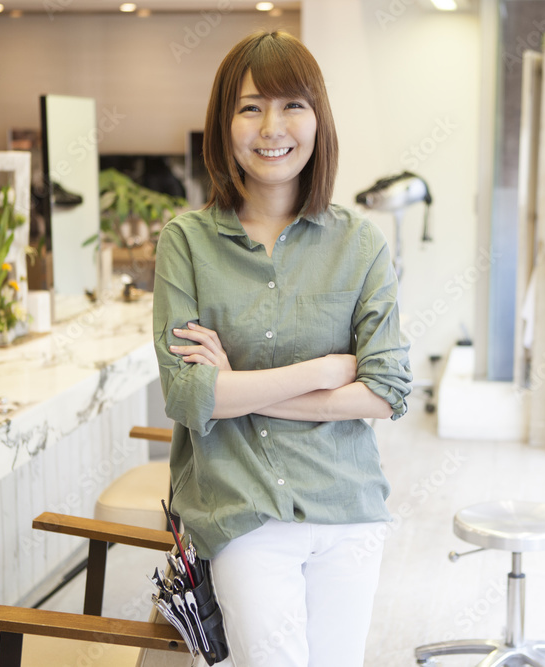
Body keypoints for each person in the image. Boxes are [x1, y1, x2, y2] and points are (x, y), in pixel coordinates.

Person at [153, 29, 412, 667]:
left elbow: (386, 392)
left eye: (292, 104)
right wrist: (324, 372)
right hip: (239, 512)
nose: (273, 126)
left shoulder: (361, 243)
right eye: (250, 107)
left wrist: (236, 389)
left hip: (346, 507)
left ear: (318, 118)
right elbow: (190, 398)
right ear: (224, 122)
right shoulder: (185, 244)